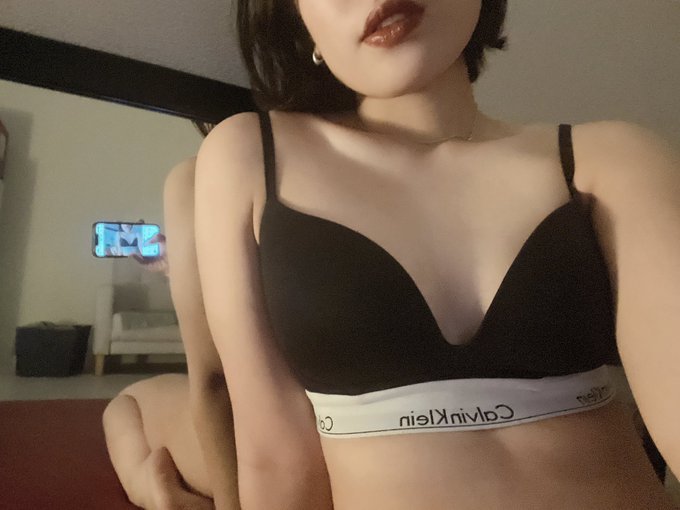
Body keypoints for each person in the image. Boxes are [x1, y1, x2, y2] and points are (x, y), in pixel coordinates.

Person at [103, 1, 680, 509]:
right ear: (297, 19)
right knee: (128, 408)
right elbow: (276, 459)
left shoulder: (613, 159)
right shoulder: (249, 157)